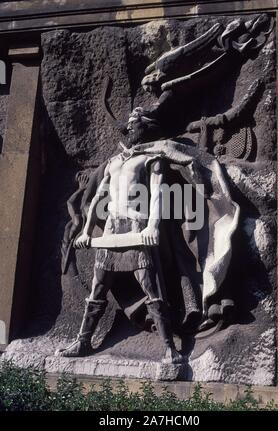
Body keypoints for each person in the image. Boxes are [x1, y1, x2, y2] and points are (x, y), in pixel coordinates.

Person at [56, 108, 183, 364]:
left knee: (152, 288)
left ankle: (169, 349)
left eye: (137, 124)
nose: (131, 128)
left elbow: (158, 194)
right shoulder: (114, 162)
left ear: (146, 129)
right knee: (98, 287)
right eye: (131, 124)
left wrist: (152, 227)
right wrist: (87, 229)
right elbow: (98, 199)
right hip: (112, 229)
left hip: (137, 228)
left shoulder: (152, 159)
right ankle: (83, 341)